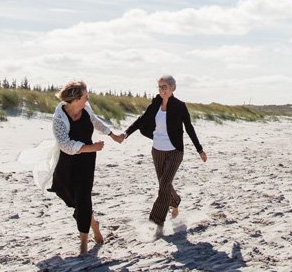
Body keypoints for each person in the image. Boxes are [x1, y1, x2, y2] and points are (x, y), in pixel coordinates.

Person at [121, 75, 207, 237]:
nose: (161, 90)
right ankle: (175, 201)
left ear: (173, 88)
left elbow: (189, 128)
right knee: (164, 184)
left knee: (164, 184)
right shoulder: (155, 103)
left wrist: (199, 150)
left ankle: (156, 223)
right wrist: (125, 134)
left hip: (175, 150)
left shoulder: (180, 106)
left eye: (165, 86)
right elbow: (142, 120)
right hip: (157, 150)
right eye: (159, 87)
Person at [49, 80, 123, 254]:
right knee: (65, 192)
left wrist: (112, 135)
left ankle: (84, 241)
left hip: (86, 162)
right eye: (85, 97)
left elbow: (96, 122)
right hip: (67, 162)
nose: (87, 99)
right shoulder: (59, 118)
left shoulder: (86, 109)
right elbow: (65, 144)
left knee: (83, 197)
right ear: (75, 99)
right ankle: (93, 222)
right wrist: (92, 147)